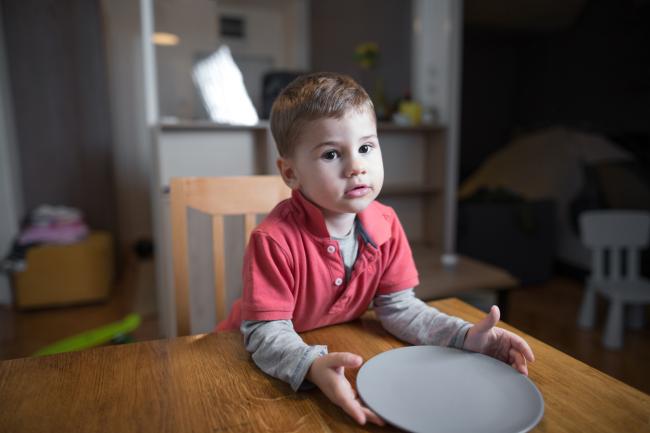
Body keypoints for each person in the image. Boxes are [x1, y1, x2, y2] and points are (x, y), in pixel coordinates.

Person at [218, 72, 534, 426]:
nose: (357, 167)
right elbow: (265, 334)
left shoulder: (385, 225)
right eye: (332, 154)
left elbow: (399, 308)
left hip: (338, 344)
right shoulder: (273, 240)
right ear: (290, 173)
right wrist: (310, 366)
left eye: (366, 147)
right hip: (250, 361)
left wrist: (463, 336)